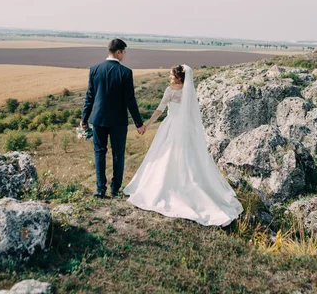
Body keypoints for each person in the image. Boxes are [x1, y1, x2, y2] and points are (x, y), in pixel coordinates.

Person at [123, 65, 243, 227]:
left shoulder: (170, 90)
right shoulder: (189, 91)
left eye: (171, 74)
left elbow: (160, 109)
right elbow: (193, 112)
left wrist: (147, 124)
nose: (169, 76)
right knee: (187, 156)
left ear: (178, 77)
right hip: (186, 127)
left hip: (171, 125)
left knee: (165, 154)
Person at [81, 38, 146, 199]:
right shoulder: (125, 72)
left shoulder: (94, 69)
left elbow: (89, 96)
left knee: (99, 152)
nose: (124, 55)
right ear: (118, 52)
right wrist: (139, 123)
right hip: (118, 121)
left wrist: (84, 119)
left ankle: (100, 189)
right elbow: (130, 100)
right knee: (118, 154)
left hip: (98, 119)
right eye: (124, 52)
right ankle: (115, 188)